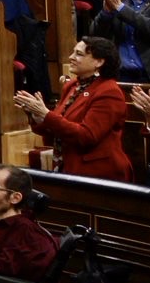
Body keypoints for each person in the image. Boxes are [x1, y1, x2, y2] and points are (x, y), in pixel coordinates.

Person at [15, 36, 132, 181]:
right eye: (73, 52)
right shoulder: (72, 86)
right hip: (67, 167)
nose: (71, 57)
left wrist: (46, 115)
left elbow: (86, 136)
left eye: (79, 54)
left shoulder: (109, 92)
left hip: (98, 173)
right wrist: (36, 115)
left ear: (99, 62)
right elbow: (56, 130)